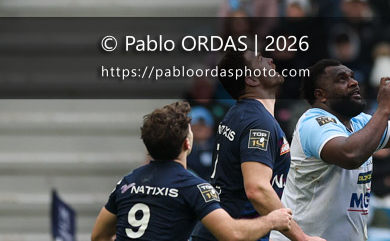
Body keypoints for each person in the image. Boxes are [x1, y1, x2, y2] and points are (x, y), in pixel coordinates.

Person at [275, 51, 390, 241]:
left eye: (352, 77)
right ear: (321, 95)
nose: (354, 82)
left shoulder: (358, 122)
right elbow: (350, 155)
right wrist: (384, 109)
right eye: (341, 79)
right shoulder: (314, 122)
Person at [90, 102, 294, 241]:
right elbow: (231, 234)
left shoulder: (127, 183)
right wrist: (272, 220)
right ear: (187, 143)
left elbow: (98, 236)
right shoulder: (193, 187)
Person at [190, 51, 321, 241]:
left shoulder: (240, 113)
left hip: (221, 230)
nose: (270, 60)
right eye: (260, 60)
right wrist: (303, 238)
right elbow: (257, 189)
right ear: (251, 79)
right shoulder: (258, 122)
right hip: (235, 233)